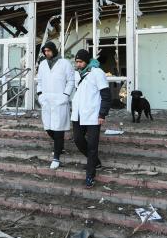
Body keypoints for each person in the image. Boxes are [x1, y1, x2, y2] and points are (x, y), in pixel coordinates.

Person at [71, 49, 111, 188]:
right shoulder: (77, 74)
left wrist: (102, 114)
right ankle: (95, 162)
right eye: (76, 62)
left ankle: (90, 176)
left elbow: (106, 95)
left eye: (80, 61)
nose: (78, 64)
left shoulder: (97, 73)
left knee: (93, 146)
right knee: (77, 139)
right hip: (78, 115)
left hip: (93, 115)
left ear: (87, 61)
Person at [37, 41, 74, 169]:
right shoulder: (42, 65)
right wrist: (40, 95)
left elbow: (71, 81)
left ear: (54, 50)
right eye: (45, 51)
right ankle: (60, 146)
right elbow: (39, 81)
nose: (46, 53)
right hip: (47, 100)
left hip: (60, 101)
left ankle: (56, 158)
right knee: (48, 127)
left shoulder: (65, 63)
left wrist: (65, 96)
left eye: (48, 51)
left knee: (58, 130)